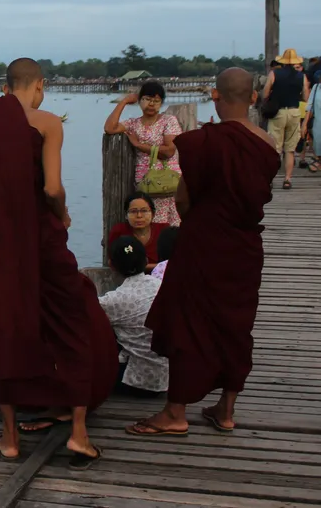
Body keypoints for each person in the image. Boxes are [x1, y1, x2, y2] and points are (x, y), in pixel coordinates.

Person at [0, 57, 118, 470]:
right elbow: (51, 187)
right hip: (41, 239)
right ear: (39, 84)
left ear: (7, 85)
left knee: (5, 325)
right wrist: (62, 213)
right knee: (74, 321)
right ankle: (79, 434)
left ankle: (9, 438)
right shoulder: (48, 122)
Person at [127, 68, 278, 437]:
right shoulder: (267, 145)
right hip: (244, 247)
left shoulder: (199, 141)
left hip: (203, 242)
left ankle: (175, 412)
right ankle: (225, 410)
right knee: (236, 323)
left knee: (187, 320)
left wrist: (203, 223)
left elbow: (183, 200)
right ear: (254, 98)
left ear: (214, 95)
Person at [103, 82, 183, 225]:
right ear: (140, 101)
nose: (151, 104)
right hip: (145, 183)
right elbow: (109, 128)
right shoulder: (133, 124)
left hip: (167, 181)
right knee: (148, 224)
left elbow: (169, 151)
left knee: (170, 226)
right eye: (147, 99)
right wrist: (125, 101)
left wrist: (139, 145)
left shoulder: (168, 121)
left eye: (156, 101)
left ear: (161, 103)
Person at [100, 236, 168, 398]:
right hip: (167, 377)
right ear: (145, 260)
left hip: (137, 382)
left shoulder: (113, 301)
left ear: (111, 265)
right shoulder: (161, 286)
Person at [262, 48, 309, 189]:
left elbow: (265, 93)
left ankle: (270, 179)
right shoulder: (302, 77)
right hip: (294, 112)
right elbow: (306, 97)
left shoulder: (274, 74)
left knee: (275, 148)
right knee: (290, 149)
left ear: (282, 61)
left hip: (278, 112)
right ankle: (288, 179)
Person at [107, 192, 167, 272]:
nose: (139, 215)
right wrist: (156, 266)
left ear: (153, 214)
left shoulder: (163, 230)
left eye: (144, 211)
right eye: (133, 211)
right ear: (126, 215)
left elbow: (172, 262)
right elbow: (112, 262)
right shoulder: (119, 231)